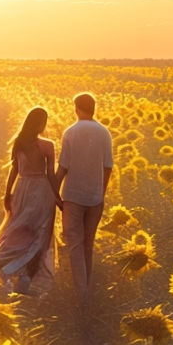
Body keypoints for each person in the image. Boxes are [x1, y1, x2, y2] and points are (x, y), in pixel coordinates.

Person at [0, 107, 61, 294]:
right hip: (42, 191)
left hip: (22, 189)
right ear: (41, 123)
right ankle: (21, 274)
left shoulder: (19, 142)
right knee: (39, 233)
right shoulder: (47, 145)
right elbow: (50, 174)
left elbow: (14, 170)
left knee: (16, 230)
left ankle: (7, 269)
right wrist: (59, 198)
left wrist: (7, 193)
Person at [54, 92, 113, 301]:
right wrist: (101, 192)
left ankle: (82, 294)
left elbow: (63, 167)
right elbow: (108, 167)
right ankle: (86, 288)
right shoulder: (104, 133)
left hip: (73, 197)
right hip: (95, 198)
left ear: (76, 108)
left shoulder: (70, 132)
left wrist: (53, 191)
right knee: (88, 244)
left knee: (75, 244)